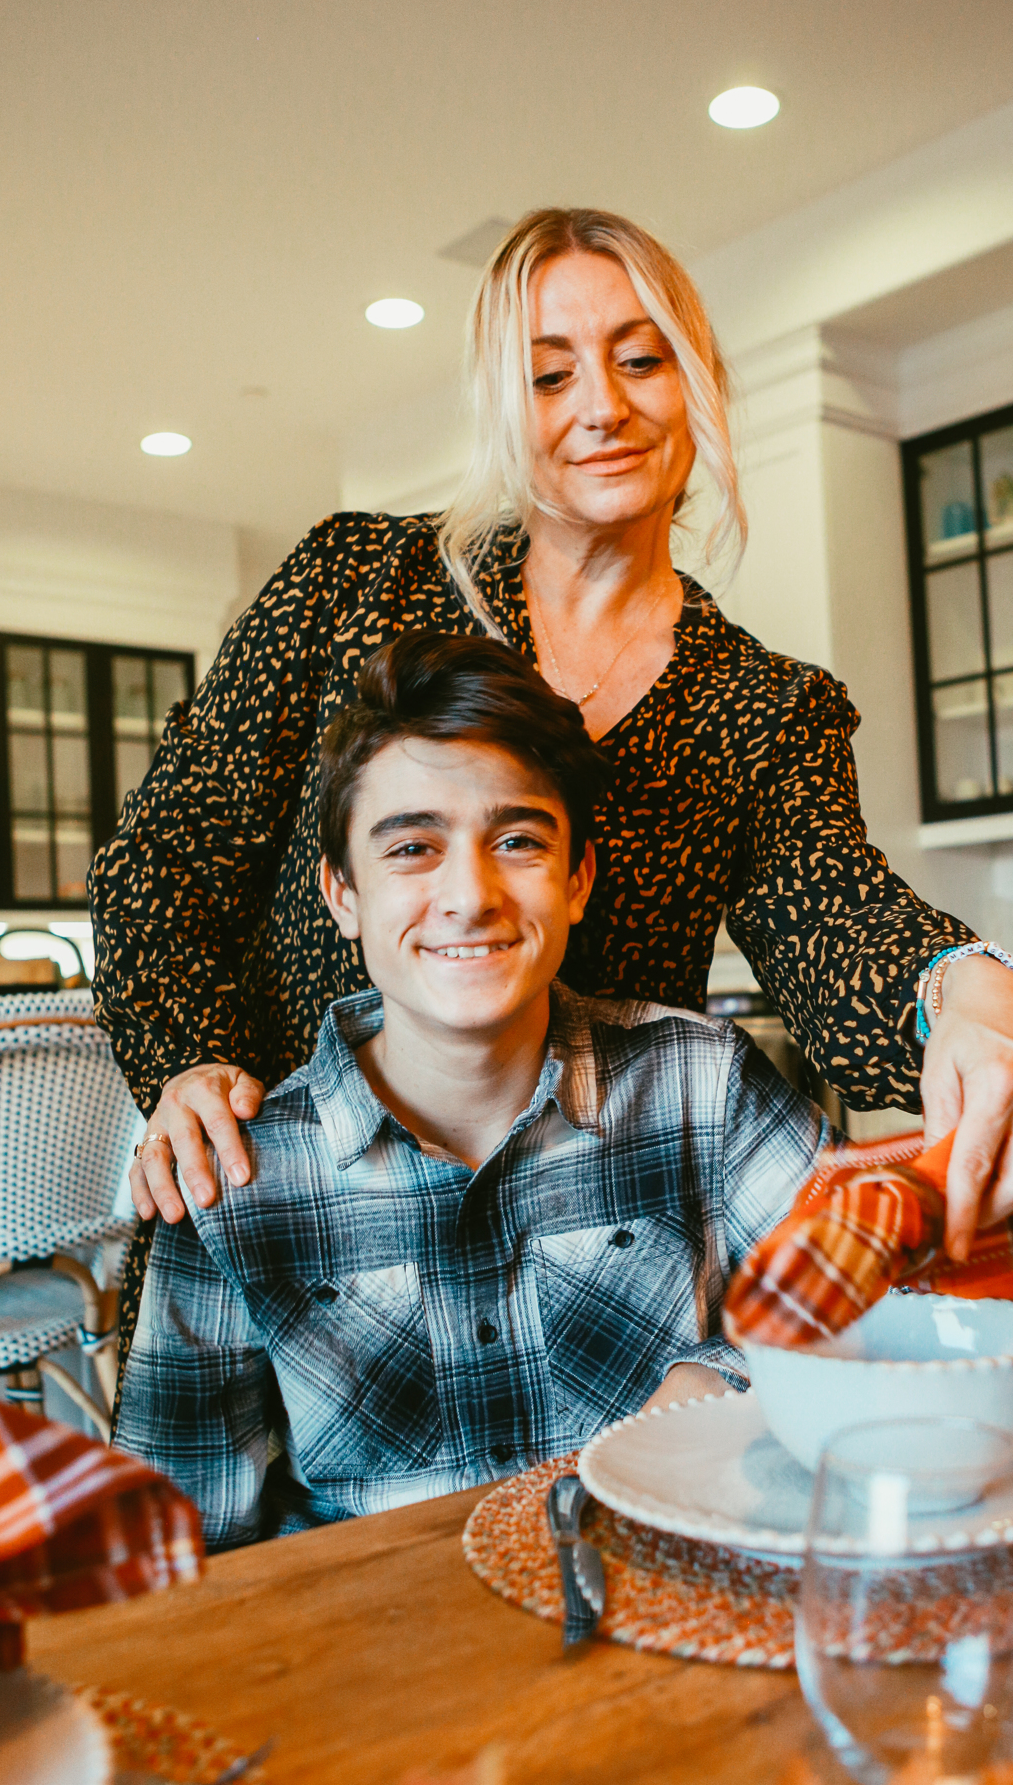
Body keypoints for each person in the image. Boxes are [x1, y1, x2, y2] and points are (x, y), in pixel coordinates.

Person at [90, 207, 1013, 1358]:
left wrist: (970, 989)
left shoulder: (756, 709)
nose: (602, 406)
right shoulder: (353, 582)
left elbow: (838, 920)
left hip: (585, 1279)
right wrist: (190, 1063)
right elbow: (162, 862)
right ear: (503, 410)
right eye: (549, 375)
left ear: (695, 381)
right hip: (304, 1253)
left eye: (640, 359)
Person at [115, 634, 831, 1548]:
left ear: (576, 881)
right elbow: (174, 1561)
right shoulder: (233, 1176)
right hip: (376, 1667)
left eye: (518, 841)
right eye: (412, 847)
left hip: (671, 1631)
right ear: (342, 895)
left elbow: (873, 1316)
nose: (470, 895)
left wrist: (721, 1380)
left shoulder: (706, 1085)